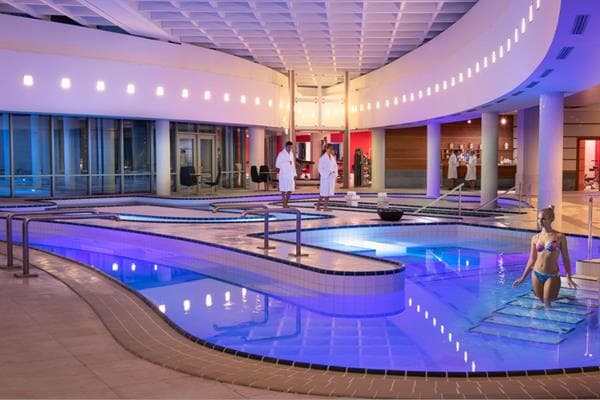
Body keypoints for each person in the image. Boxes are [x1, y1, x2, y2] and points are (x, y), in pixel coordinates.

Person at [512, 206, 577, 307]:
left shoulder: (559, 237)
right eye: (538, 218)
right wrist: (522, 277)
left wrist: (568, 276)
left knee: (547, 303)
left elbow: (565, 258)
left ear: (551, 219)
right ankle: (563, 298)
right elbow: (532, 259)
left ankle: (561, 301)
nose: (540, 221)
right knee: (541, 301)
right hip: (536, 273)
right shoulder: (535, 238)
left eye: (543, 219)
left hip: (551, 275)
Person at [316, 144, 338, 211]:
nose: (331, 150)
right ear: (326, 149)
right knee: (324, 193)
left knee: (327, 192)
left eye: (332, 149)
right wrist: (326, 174)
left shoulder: (332, 158)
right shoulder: (322, 158)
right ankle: (324, 207)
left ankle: (319, 206)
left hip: (331, 177)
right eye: (330, 148)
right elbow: (320, 168)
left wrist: (335, 174)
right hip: (325, 178)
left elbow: (335, 166)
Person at [275, 141, 296, 208]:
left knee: (290, 189)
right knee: (283, 190)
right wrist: (286, 163)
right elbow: (277, 165)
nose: (290, 148)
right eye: (289, 147)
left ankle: (286, 202)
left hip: (290, 174)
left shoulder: (291, 154)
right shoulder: (281, 154)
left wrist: (294, 174)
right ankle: (284, 204)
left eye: (291, 147)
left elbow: (293, 164)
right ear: (286, 146)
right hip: (284, 174)